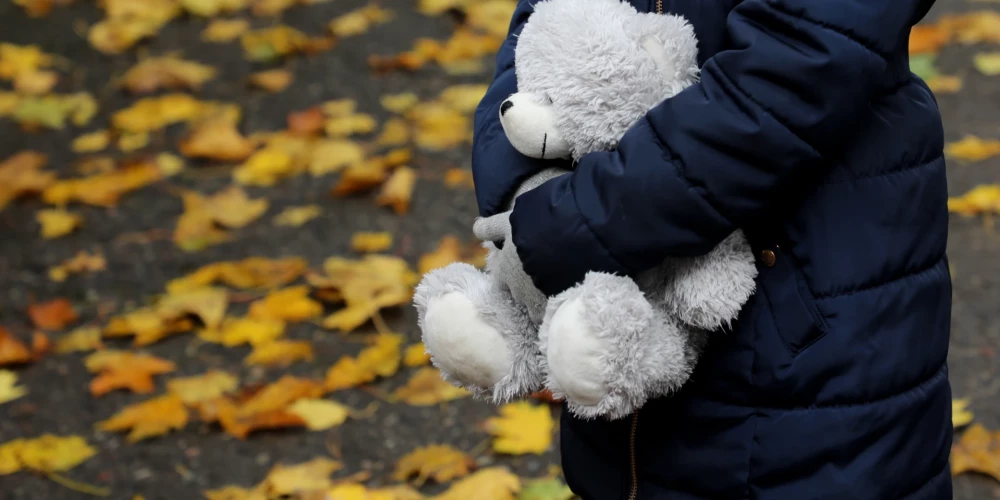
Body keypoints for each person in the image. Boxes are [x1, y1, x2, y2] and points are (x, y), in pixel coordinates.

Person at [471, 0, 953, 499]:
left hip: (801, 305)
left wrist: (573, 221)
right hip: (613, 282)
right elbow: (540, 25)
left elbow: (800, 66)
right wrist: (528, 186)